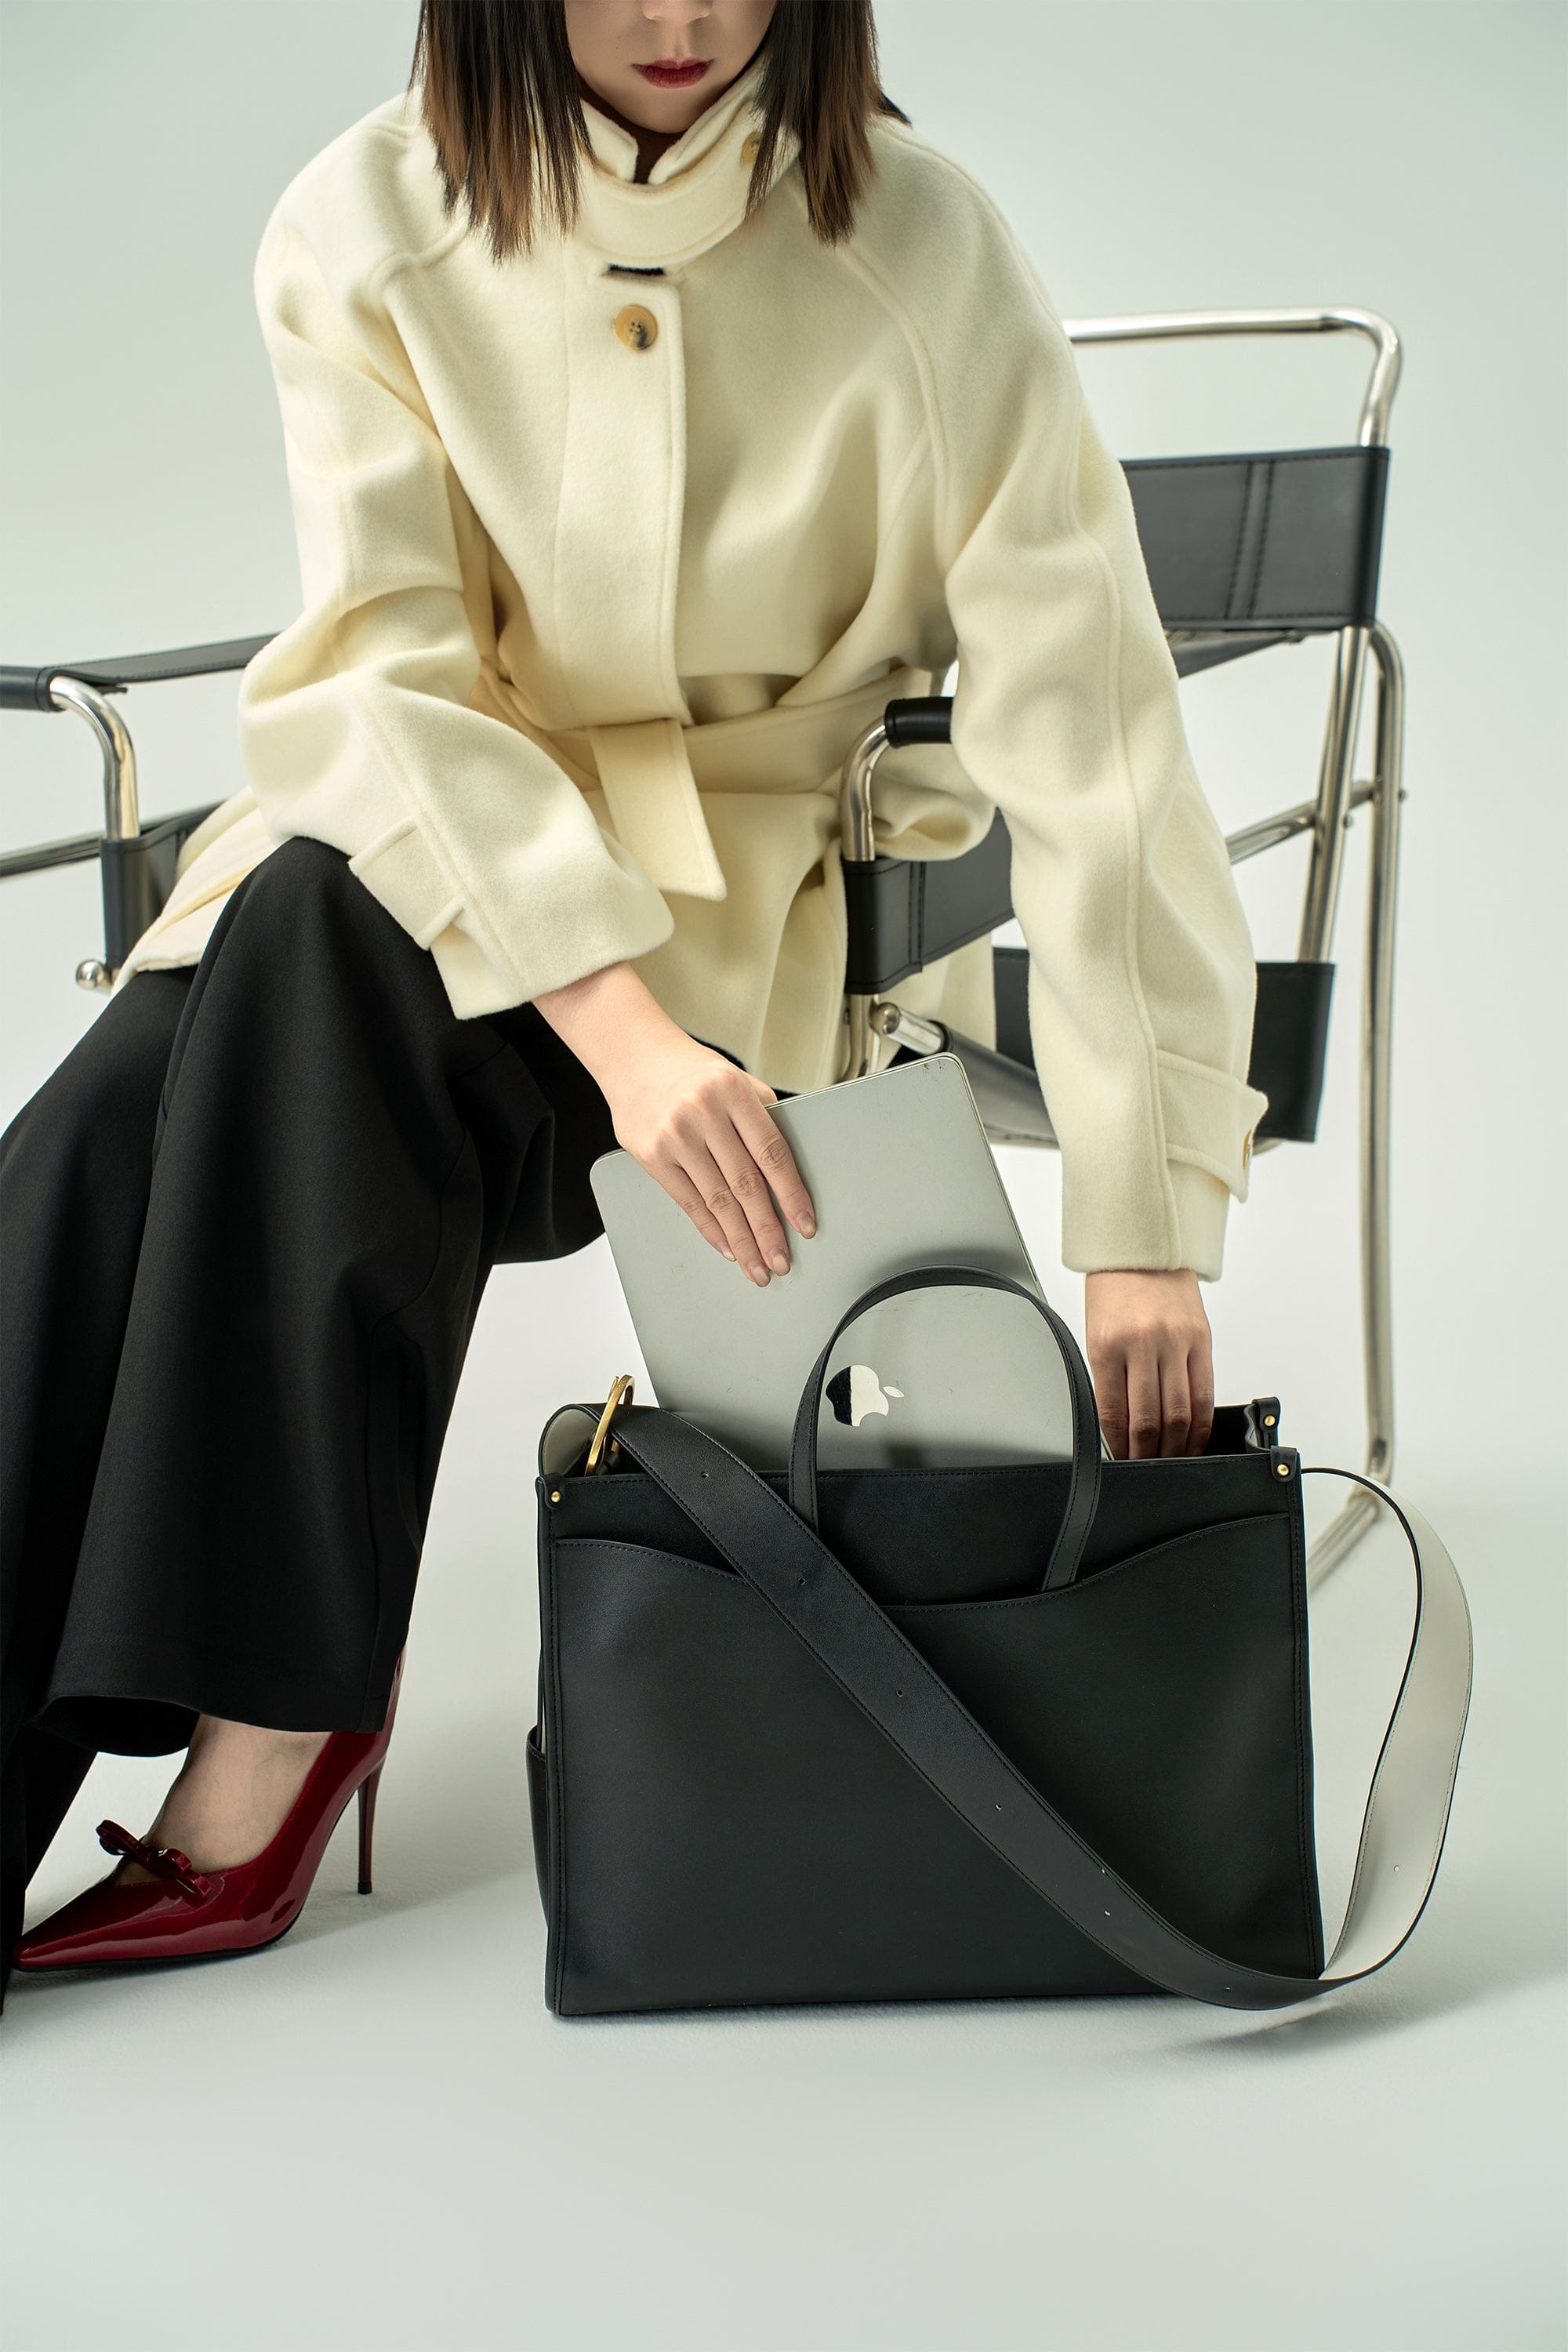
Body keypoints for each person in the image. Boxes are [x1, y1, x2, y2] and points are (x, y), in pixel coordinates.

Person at [0, 0, 1270, 1991]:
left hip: (736, 934)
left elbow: (1091, 726)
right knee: (105, 1134)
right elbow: (386, 677)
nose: (680, 18)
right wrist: (617, 1034)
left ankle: (263, 1749)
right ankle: (261, 1720)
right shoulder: (365, 219)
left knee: (270, 984)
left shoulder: (921, 242)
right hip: (434, 884)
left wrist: (1142, 1216)